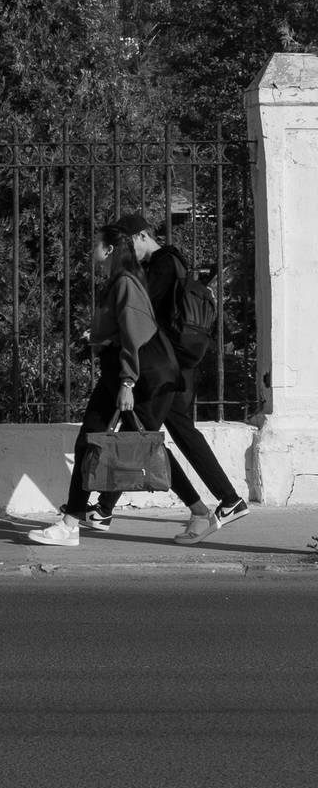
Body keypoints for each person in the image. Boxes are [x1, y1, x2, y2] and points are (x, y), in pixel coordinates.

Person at [27, 224, 194, 548]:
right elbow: (122, 329)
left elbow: (136, 336)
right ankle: (76, 521)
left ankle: (74, 522)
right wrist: (99, 338)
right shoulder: (119, 281)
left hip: (127, 376)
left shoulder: (126, 283)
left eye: (96, 244)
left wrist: (127, 382)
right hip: (115, 373)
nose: (92, 249)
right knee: (97, 442)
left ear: (109, 250)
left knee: (133, 444)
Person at [96, 212, 249, 545]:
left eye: (128, 243)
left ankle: (105, 509)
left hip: (169, 367)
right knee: (161, 433)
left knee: (142, 435)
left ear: (141, 236)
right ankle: (224, 501)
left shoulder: (164, 263)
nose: (126, 250)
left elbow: (142, 312)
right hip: (175, 367)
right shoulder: (168, 263)